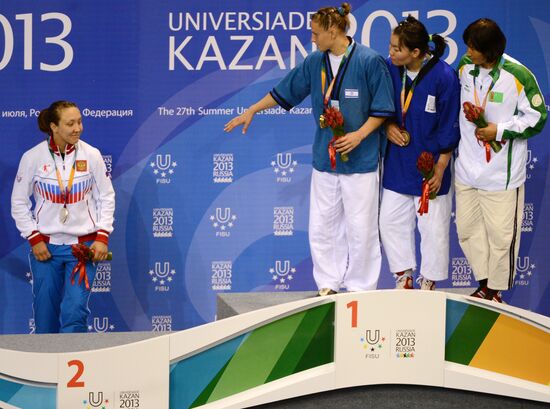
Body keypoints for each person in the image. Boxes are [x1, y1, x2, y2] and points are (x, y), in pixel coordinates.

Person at [224, 3, 394, 295]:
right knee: (323, 226)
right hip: (325, 160)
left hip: (361, 160)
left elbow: (383, 109)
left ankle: (360, 288)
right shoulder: (315, 63)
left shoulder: (369, 61)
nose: (312, 39)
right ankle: (328, 284)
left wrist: (358, 136)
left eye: (316, 33)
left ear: (333, 30)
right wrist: (252, 109)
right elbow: (285, 91)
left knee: (361, 229)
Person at [455, 19, 546, 302]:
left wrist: (500, 130)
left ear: (491, 50)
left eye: (474, 46)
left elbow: (537, 118)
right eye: (468, 44)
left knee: (501, 239)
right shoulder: (465, 67)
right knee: (468, 232)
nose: (468, 50)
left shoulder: (518, 75)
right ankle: (484, 284)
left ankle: (494, 292)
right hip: (466, 171)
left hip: (501, 176)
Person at [11, 100, 115, 333]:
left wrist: (102, 236)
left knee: (75, 311)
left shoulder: (91, 154)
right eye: (70, 123)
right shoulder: (33, 157)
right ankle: (43, 369)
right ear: (54, 127)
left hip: (82, 247)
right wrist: (34, 238)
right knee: (45, 315)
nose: (78, 128)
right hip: (46, 249)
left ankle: (72, 366)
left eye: (79, 121)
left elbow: (106, 197)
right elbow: (18, 202)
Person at [380, 16, 460, 291]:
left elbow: (450, 124)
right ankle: (404, 275)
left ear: (416, 52)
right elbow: (380, 107)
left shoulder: (445, 77)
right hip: (398, 162)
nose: (390, 53)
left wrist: (440, 167)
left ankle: (429, 280)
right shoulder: (390, 68)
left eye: (396, 49)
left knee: (433, 228)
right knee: (389, 220)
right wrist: (388, 126)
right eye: (390, 46)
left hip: (431, 164)